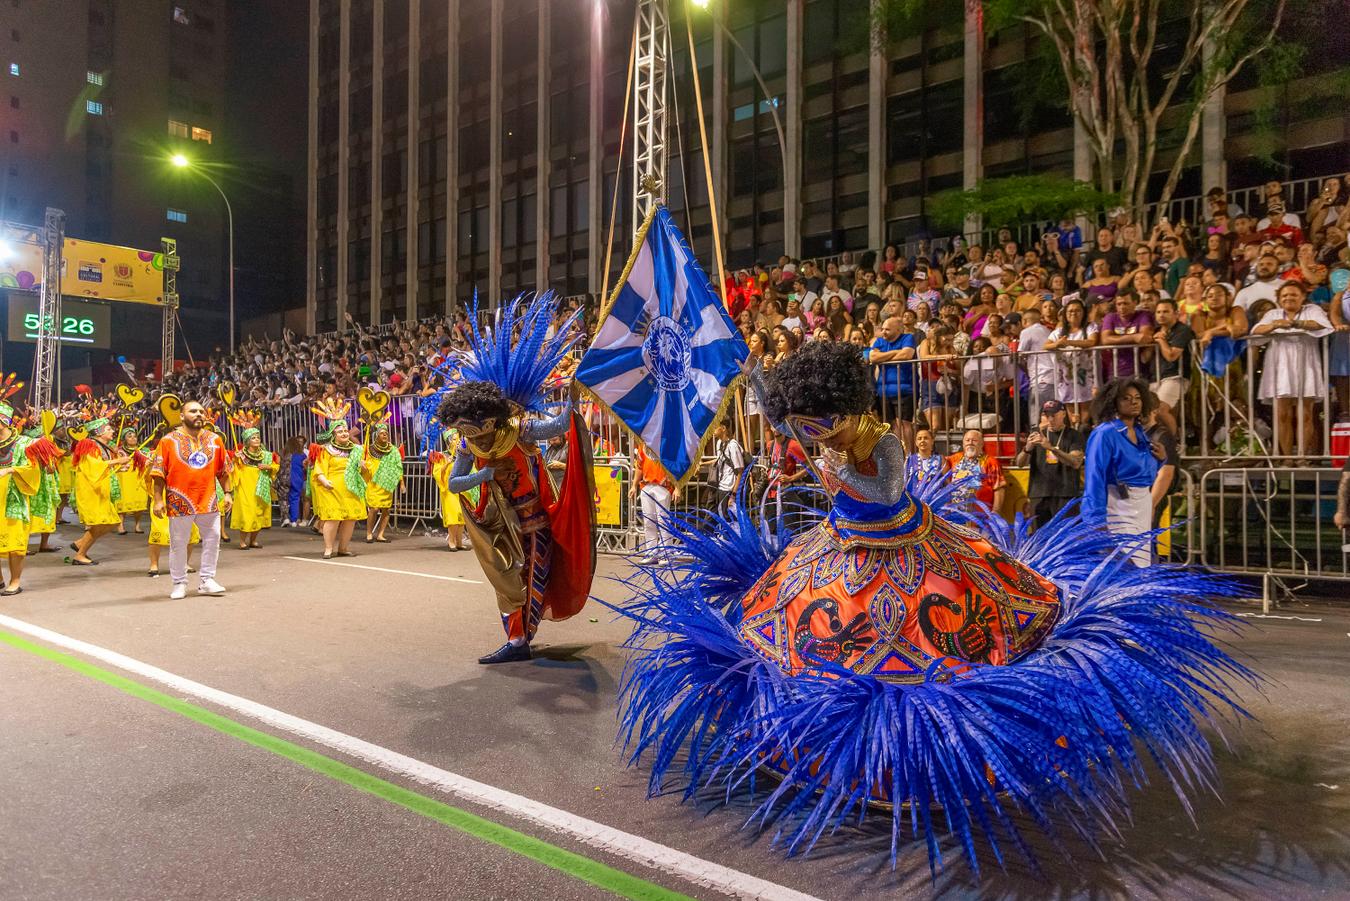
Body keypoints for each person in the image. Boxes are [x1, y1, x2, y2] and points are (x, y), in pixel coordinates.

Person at [609, 338, 1254, 874]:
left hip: (909, 550)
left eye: (814, 419)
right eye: (801, 421)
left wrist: (829, 465)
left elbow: (883, 487)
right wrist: (788, 424)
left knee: (946, 634)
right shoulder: (820, 433)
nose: (808, 432)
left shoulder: (876, 438)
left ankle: (931, 746)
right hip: (837, 549)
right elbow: (804, 447)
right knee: (780, 623)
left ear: (840, 405)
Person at [433, 294, 596, 665]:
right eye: (467, 434)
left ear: (490, 420)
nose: (475, 440)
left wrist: (572, 398)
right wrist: (486, 473)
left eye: (477, 431)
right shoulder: (466, 445)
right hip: (498, 524)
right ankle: (517, 638)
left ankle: (522, 638)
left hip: (534, 519)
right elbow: (455, 483)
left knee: (534, 578)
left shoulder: (518, 429)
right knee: (505, 580)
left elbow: (556, 425)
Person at [150, 399, 231, 598]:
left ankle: (207, 580)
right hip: (179, 500)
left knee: (213, 540)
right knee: (178, 544)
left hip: (208, 499)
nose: (198, 415)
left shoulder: (214, 440)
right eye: (193, 411)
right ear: (182, 416)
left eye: (202, 411)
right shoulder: (168, 441)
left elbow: (223, 470)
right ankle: (179, 583)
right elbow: (159, 472)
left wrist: (228, 493)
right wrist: (159, 500)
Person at [1082, 378, 1164, 567]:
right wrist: (1096, 522)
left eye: (1137, 398)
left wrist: (1160, 460)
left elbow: (1143, 473)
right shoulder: (1105, 433)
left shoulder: (1138, 431)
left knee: (1142, 564)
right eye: (1126, 398)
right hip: (1118, 506)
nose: (1134, 402)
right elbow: (1095, 479)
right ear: (1113, 403)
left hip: (1142, 504)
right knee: (1124, 565)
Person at [1250, 281, 1334, 461]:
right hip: (1280, 366)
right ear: (1279, 299)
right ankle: (1287, 457)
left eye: (1294, 294)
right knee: (1282, 414)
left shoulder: (1312, 310)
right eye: (1285, 295)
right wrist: (1274, 325)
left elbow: (1322, 325)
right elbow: (1256, 331)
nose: (1289, 298)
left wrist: (1296, 323)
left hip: (1307, 364)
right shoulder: (1273, 314)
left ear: (1302, 296)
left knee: (1305, 414)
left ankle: (1302, 456)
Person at [308, 400, 372, 559]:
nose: (344, 433)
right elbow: (319, 468)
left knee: (350, 519)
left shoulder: (356, 450)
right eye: (340, 431)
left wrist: (364, 468)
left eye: (345, 430)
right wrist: (323, 480)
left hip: (351, 488)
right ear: (333, 434)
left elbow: (365, 470)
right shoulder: (326, 450)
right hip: (332, 488)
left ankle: (343, 548)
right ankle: (328, 548)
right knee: (333, 518)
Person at [70, 417, 130, 566]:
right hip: (90, 490)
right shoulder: (88, 444)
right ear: (99, 432)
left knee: (112, 522)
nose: (112, 431)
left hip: (99, 489)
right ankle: (80, 554)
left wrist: (120, 467)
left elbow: (103, 467)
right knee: (100, 523)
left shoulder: (102, 446)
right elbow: (93, 466)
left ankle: (80, 544)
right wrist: (117, 461)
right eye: (108, 429)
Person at [1016, 400, 1085, 526]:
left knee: (1066, 537)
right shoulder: (1036, 433)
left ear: (1063, 414)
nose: (1050, 419)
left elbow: (1075, 462)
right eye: (1047, 416)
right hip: (1039, 493)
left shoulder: (1074, 435)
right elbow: (1020, 463)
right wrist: (1027, 448)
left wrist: (1051, 448)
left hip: (1066, 493)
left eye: (1054, 415)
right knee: (1039, 538)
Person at [0, 403, 40, 595]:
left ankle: (15, 581)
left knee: (15, 543)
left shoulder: (24, 443)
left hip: (13, 496)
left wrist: (10, 469)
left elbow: (33, 468)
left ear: (4, 421)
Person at [230, 421, 279, 550]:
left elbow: (276, 467)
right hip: (246, 487)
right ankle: (242, 541)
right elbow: (234, 470)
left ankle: (253, 540)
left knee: (259, 513)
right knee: (248, 513)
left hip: (261, 486)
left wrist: (268, 467)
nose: (256, 439)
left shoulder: (266, 455)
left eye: (258, 437)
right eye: (253, 437)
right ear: (247, 441)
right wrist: (236, 460)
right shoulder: (241, 455)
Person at [632, 444, 678, 565]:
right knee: (648, 521)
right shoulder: (643, 445)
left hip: (663, 486)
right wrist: (633, 485)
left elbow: (676, 467)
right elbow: (639, 467)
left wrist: (678, 487)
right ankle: (652, 552)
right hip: (646, 485)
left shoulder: (666, 443)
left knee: (663, 521)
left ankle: (666, 553)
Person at [946, 428, 1006, 513]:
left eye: (974, 440)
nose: (970, 443)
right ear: (963, 444)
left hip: (980, 516)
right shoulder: (953, 459)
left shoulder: (991, 462)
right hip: (955, 514)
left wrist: (995, 512)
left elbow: (999, 488)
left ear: (982, 444)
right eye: (967, 440)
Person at [428, 428, 468, 552]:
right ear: (448, 441)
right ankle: (451, 541)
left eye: (458, 439)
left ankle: (459, 542)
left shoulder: (462, 455)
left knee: (462, 517)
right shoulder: (442, 456)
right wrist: (446, 464)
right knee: (453, 516)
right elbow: (437, 473)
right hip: (449, 490)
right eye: (454, 439)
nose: (457, 441)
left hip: (462, 489)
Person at [364, 421, 404, 543]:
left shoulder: (393, 450)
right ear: (376, 435)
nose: (385, 435)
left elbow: (398, 466)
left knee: (386, 509)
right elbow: (364, 464)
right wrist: (364, 467)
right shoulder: (369, 449)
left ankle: (381, 534)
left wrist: (402, 483)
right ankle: (369, 533)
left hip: (387, 484)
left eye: (386, 433)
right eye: (382, 433)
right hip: (374, 483)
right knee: (374, 508)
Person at [112, 428, 149, 535]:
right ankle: (120, 526)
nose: (133, 438)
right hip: (124, 478)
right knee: (123, 502)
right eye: (129, 436)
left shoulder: (143, 450)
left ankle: (137, 525)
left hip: (138, 477)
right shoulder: (118, 451)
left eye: (134, 436)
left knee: (140, 502)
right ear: (124, 439)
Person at [708, 419, 744, 517]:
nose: (713, 430)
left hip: (728, 488)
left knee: (728, 520)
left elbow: (740, 471)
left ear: (723, 428)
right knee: (712, 519)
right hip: (719, 486)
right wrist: (702, 464)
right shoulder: (719, 443)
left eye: (715, 427)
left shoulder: (733, 446)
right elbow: (719, 459)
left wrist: (733, 495)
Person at [281, 435, 308, 527]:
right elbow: (306, 468)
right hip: (298, 479)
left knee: (284, 499)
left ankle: (285, 518)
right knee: (295, 499)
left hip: (285, 478)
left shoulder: (284, 453)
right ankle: (294, 520)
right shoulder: (302, 455)